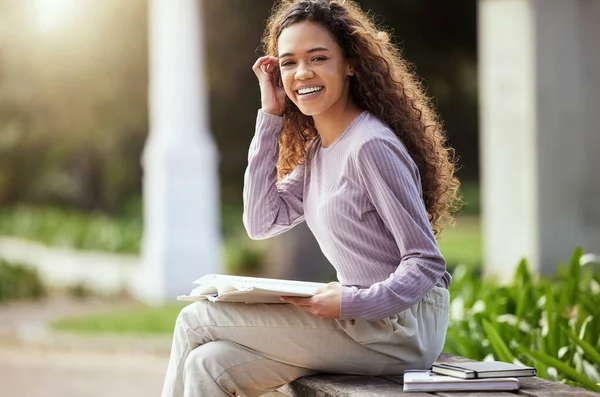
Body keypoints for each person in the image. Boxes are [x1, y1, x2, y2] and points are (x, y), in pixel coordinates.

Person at [161, 1, 461, 396]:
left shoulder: (370, 146)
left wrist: (352, 303)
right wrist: (270, 117)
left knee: (195, 319)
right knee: (210, 364)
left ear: (350, 63)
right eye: (288, 63)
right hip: (362, 322)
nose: (302, 73)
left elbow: (425, 262)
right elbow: (261, 221)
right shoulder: (321, 151)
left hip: (400, 328)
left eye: (318, 58)